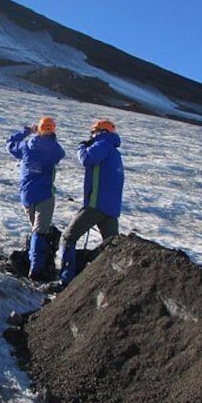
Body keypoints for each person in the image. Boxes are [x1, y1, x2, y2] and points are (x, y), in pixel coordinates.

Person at [59, 119, 124, 286]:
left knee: (68, 237)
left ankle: (66, 280)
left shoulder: (102, 144)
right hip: (111, 208)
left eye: (93, 132)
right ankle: (109, 282)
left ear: (99, 131)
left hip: (96, 204)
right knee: (111, 245)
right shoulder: (114, 151)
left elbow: (87, 159)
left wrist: (82, 147)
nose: (92, 135)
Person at [6, 117, 66, 280]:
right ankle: (36, 268)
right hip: (45, 194)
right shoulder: (54, 149)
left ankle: (37, 262)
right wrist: (51, 138)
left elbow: (10, 143)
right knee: (40, 231)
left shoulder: (26, 146)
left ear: (38, 129)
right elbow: (61, 154)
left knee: (37, 230)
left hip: (26, 195)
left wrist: (26, 131)